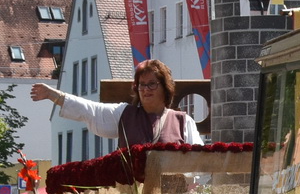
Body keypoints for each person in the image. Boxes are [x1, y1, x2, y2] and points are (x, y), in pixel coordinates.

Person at [32, 58, 203, 150]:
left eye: (152, 84)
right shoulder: (124, 114)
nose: (146, 89)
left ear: (165, 87)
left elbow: (198, 161)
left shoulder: (183, 121)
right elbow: (90, 110)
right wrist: (54, 95)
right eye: (142, 84)